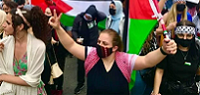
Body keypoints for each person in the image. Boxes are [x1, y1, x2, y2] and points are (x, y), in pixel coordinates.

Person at [48, 10, 177, 95]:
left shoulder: (124, 60)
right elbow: (71, 46)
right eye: (99, 42)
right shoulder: (91, 55)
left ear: (115, 47)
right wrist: (58, 28)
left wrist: (163, 50)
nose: (100, 45)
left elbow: (147, 60)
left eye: (105, 44)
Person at [0, 6, 50, 94]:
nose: (3, 25)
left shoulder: (38, 46)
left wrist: (2, 77)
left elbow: (33, 80)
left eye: (8, 23)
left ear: (20, 27)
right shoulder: (4, 43)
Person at [152, 20, 200, 95]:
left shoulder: (197, 51)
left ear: (192, 36)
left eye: (188, 35)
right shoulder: (168, 48)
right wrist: (155, 92)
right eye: (181, 35)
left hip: (189, 90)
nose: (184, 38)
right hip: (169, 89)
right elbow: (160, 70)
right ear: (176, 35)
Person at [72, 5, 106, 94]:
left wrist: (94, 11)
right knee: (81, 66)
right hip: (82, 46)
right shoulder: (79, 19)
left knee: (93, 66)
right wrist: (76, 38)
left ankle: (94, 85)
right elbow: (74, 30)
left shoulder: (95, 18)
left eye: (89, 17)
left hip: (93, 46)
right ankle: (80, 83)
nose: (87, 18)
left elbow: (103, 16)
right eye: (87, 16)